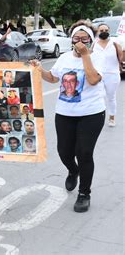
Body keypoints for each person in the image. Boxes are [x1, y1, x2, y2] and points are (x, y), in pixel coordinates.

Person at [31, 20, 106, 213]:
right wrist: (39, 69)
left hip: (91, 113)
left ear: (91, 40)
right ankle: (73, 171)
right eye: (76, 38)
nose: (80, 41)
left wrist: (85, 56)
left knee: (84, 153)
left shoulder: (98, 57)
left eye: (84, 38)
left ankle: (84, 194)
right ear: (71, 40)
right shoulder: (64, 58)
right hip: (65, 113)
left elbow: (92, 79)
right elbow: (53, 78)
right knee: (64, 152)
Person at [92, 23, 123, 127]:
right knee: (99, 96)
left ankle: (112, 117)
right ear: (97, 32)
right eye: (101, 30)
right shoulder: (94, 44)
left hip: (112, 74)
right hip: (98, 74)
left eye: (106, 30)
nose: (104, 32)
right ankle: (97, 117)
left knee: (111, 97)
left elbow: (121, 58)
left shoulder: (115, 43)